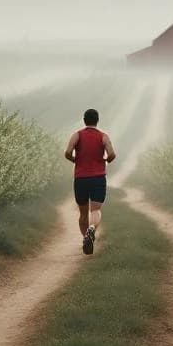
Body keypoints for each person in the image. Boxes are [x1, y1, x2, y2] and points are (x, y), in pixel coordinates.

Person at [65, 108, 116, 255]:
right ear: (97, 120)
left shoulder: (77, 135)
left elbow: (67, 153)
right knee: (95, 210)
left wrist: (76, 160)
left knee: (82, 213)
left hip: (80, 178)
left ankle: (86, 238)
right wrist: (106, 161)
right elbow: (112, 154)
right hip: (98, 177)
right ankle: (92, 229)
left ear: (84, 120)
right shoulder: (103, 136)